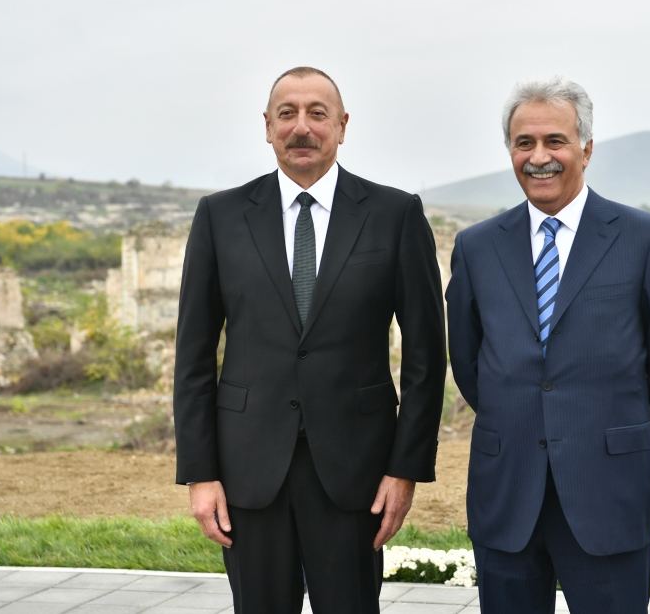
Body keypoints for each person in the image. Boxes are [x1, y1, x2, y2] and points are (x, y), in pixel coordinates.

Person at [174, 66, 446, 614]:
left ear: (342, 126)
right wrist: (200, 474)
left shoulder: (395, 215)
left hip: (356, 472)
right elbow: (194, 357)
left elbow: (426, 357)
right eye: (287, 114)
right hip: (248, 470)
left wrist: (404, 469)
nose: (302, 127)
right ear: (267, 126)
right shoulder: (220, 217)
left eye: (317, 114)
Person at [445, 76, 650, 613]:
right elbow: (470, 364)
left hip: (609, 491)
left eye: (555, 141)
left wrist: (620, 439)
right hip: (506, 494)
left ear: (585, 147)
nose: (539, 157)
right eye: (525, 143)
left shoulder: (645, 239)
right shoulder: (476, 248)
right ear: (510, 152)